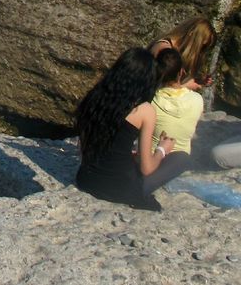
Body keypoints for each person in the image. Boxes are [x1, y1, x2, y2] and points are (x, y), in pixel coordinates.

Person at [76, 47, 178, 211]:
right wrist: (162, 149)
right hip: (120, 188)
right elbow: (147, 168)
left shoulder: (95, 97)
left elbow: (87, 148)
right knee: (180, 159)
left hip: (86, 180)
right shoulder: (144, 110)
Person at [149, 47, 201, 184]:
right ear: (181, 72)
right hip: (180, 160)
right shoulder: (198, 100)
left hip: (152, 160)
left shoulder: (150, 100)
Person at [149, 19, 217, 90]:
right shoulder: (164, 49)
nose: (200, 52)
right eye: (202, 47)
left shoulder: (177, 54)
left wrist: (197, 80)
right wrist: (184, 87)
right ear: (192, 34)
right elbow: (157, 90)